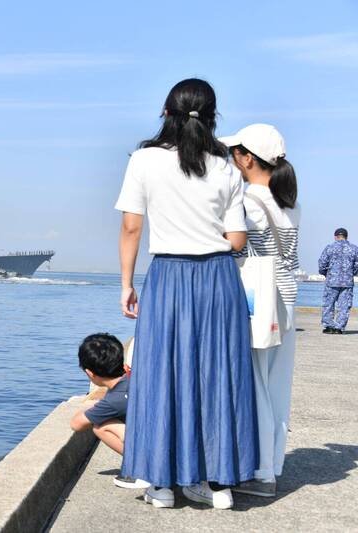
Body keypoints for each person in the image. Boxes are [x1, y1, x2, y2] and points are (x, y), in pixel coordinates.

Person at [115, 79, 258, 510]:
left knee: (162, 376)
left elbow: (131, 228)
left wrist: (126, 284)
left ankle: (161, 485)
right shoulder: (226, 167)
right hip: (218, 279)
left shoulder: (144, 160)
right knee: (217, 376)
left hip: (169, 277)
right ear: (212, 117)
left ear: (166, 112)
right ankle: (217, 484)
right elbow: (237, 239)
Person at [222, 124, 300, 497]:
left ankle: (260, 473)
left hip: (259, 298)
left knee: (255, 386)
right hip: (287, 297)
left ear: (248, 159)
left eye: (233, 154)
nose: (230, 161)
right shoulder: (291, 201)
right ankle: (273, 465)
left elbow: (236, 246)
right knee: (277, 388)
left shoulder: (248, 200)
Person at [70, 334, 148, 490]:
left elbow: (76, 424)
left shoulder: (115, 399)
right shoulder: (136, 378)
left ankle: (143, 469)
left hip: (160, 451)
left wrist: (95, 406)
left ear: (90, 373)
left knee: (101, 426)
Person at [318, 228, 358, 334]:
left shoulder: (329, 248)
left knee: (328, 304)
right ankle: (339, 328)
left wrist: (326, 274)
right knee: (344, 306)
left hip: (331, 281)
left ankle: (329, 326)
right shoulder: (354, 249)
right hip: (347, 282)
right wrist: (350, 274)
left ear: (335, 236)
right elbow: (357, 266)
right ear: (346, 237)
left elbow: (322, 263)